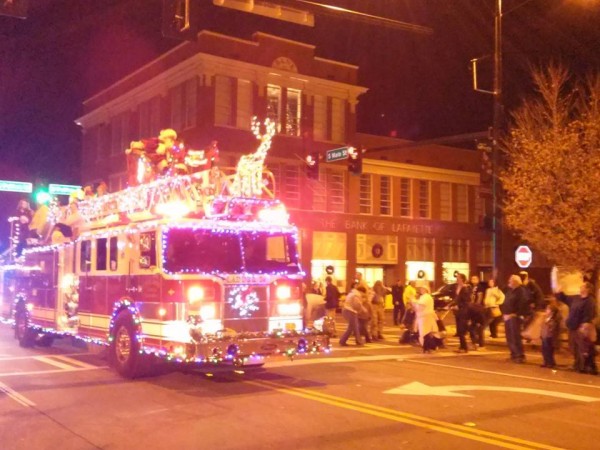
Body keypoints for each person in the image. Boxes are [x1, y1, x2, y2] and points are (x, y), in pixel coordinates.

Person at [556, 281, 597, 374]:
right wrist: (559, 292)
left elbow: (589, 314)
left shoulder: (590, 301)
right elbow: (565, 298)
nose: (580, 288)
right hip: (572, 326)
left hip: (581, 328)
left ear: (587, 289)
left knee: (582, 347)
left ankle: (583, 366)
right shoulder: (576, 298)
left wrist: (584, 325)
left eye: (582, 286)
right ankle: (577, 364)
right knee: (574, 347)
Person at [500, 274, 530, 363]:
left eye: (510, 280)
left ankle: (520, 355)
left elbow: (523, 303)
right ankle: (513, 354)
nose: (509, 282)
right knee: (509, 337)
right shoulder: (510, 290)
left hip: (514, 317)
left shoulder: (521, 291)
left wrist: (516, 314)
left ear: (515, 282)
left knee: (515, 337)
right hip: (507, 316)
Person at [414, 285, 440, 353]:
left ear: (426, 290)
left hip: (425, 317)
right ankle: (428, 348)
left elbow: (421, 305)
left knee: (425, 333)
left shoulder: (426, 297)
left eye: (422, 288)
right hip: (426, 317)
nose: (421, 290)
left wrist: (414, 301)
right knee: (427, 333)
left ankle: (428, 348)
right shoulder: (425, 297)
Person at [452, 273, 472, 353]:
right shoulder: (457, 287)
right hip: (457, 311)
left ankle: (464, 347)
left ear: (462, 279)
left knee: (461, 329)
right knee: (458, 329)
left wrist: (459, 306)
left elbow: (466, 301)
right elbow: (456, 299)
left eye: (458, 278)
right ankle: (461, 346)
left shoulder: (466, 288)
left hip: (463, 310)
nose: (457, 279)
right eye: (457, 277)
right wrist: (452, 305)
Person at [540, 300, 562, 369]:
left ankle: (550, 362)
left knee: (549, 350)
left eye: (548, 309)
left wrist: (548, 323)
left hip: (549, 337)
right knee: (544, 350)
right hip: (544, 336)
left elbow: (552, 329)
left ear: (552, 312)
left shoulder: (553, 320)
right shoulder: (545, 318)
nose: (546, 311)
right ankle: (546, 361)